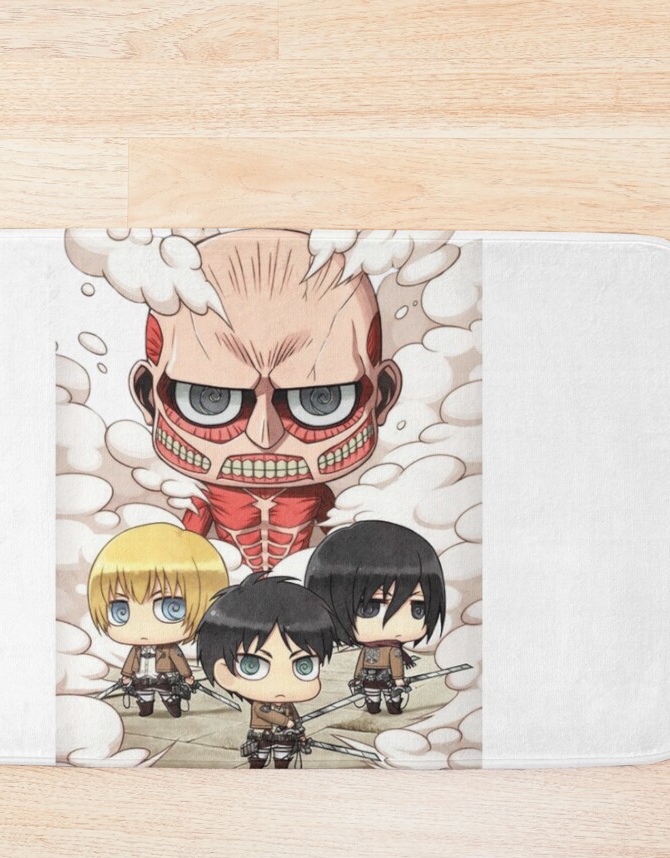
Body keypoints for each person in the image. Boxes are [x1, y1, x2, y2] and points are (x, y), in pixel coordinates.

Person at [126, 230, 403, 571]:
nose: (265, 437)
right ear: (148, 397)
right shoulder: (204, 498)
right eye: (212, 398)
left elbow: (340, 548)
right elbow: (184, 557)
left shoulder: (318, 496)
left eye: (319, 398)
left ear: (382, 397)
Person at [304, 521, 446, 715]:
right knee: (374, 696)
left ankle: (390, 706)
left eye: (418, 609)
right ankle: (376, 705)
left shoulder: (393, 651)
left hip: (384, 678)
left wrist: (398, 680)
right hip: (371, 677)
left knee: (389, 695)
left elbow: (395, 665)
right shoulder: (378, 650)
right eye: (370, 608)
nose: (396, 623)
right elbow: (361, 663)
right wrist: (358, 678)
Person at [88, 523, 228, 718]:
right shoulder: (137, 650)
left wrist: (187, 676)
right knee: (143, 697)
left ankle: (173, 706)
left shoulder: (169, 649)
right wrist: (126, 676)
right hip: (141, 678)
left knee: (169, 696)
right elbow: (131, 661)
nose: (142, 627)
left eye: (171, 607)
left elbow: (178, 660)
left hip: (165, 678)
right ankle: (146, 707)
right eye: (121, 610)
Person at [196, 573, 336, 768]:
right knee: (258, 761)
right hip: (261, 736)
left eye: (304, 666)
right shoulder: (260, 703)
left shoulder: (286, 704)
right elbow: (264, 712)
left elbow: (294, 717)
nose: (281, 684)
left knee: (282, 760)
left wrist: (300, 732)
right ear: (225, 673)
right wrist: (286, 722)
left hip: (284, 736)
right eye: (252, 665)